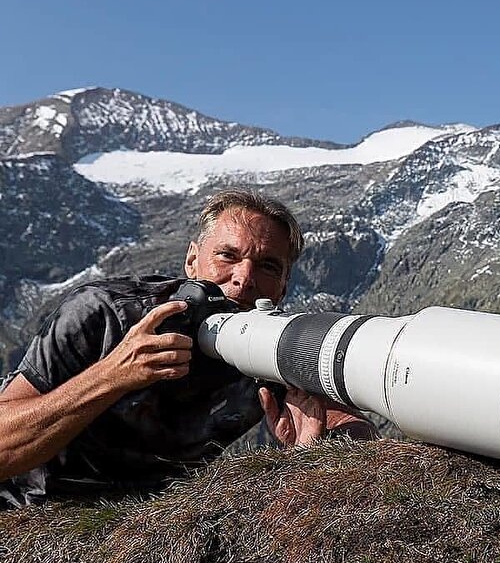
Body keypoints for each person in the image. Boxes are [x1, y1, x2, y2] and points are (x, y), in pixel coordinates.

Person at [0, 189, 377, 507]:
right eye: (228, 256)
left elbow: (355, 428)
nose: (244, 279)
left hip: (144, 531)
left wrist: (318, 451)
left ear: (283, 286)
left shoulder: (273, 348)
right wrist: (110, 376)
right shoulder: (105, 314)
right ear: (192, 260)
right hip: (27, 508)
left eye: (267, 266)